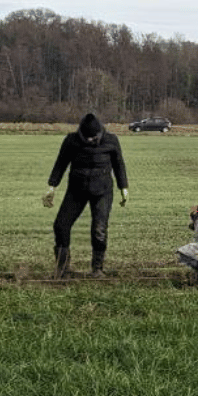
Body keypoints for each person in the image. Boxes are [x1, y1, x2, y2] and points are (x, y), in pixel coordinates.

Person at [43, 112, 129, 278]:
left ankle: (97, 269)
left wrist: (123, 187)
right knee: (60, 226)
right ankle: (62, 269)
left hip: (102, 191)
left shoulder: (111, 140)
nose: (90, 140)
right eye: (86, 137)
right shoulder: (71, 140)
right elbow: (61, 163)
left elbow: (119, 164)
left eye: (93, 137)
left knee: (99, 229)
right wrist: (52, 186)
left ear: (100, 133)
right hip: (76, 190)